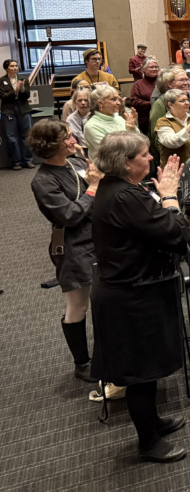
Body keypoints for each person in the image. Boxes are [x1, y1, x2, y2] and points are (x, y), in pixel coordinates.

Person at [89, 132, 190, 462]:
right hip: (130, 298)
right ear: (126, 163)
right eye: (145, 155)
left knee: (147, 370)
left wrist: (160, 199)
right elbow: (175, 234)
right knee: (141, 375)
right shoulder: (125, 197)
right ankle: (148, 442)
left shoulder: (118, 189)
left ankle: (152, 423)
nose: (151, 160)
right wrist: (170, 197)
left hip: (131, 289)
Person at [29, 119, 102, 381]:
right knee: (78, 306)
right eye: (67, 137)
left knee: (104, 299)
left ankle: (106, 354)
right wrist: (94, 188)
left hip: (98, 237)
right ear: (53, 145)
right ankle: (82, 363)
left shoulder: (76, 162)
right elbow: (70, 215)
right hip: (72, 246)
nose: (73, 140)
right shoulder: (43, 181)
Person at [84, 84, 138, 157]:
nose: (119, 103)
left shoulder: (119, 119)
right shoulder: (91, 126)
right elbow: (112, 154)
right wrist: (129, 132)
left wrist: (132, 129)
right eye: (113, 99)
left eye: (118, 99)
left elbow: (140, 143)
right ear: (100, 103)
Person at [154, 89, 190, 167]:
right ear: (171, 105)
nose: (187, 103)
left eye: (187, 100)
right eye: (182, 101)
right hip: (174, 170)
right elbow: (172, 142)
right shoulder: (163, 122)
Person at [0, 58, 34, 169]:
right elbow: (3, 96)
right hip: (8, 111)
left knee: (27, 135)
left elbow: (27, 95)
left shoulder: (24, 79)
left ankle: (28, 160)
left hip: (23, 109)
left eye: (16, 66)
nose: (15, 68)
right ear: (6, 68)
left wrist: (22, 89)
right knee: (11, 137)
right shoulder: (1, 81)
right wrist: (14, 90)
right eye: (12, 66)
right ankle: (16, 162)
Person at [128, 57, 161, 134]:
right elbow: (134, 102)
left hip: (161, 118)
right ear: (144, 69)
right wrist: (153, 103)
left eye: (156, 67)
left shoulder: (162, 83)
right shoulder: (138, 84)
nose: (154, 69)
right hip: (145, 121)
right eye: (151, 67)